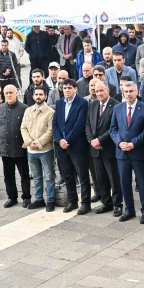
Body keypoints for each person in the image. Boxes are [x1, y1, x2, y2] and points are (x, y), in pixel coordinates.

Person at [110, 79, 144, 223]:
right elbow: (113, 129)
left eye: (131, 91)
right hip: (122, 152)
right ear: (123, 92)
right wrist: (119, 142)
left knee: (142, 183)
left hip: (138, 152)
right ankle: (129, 210)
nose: (128, 94)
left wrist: (133, 143)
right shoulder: (118, 108)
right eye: (126, 92)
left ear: (137, 92)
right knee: (124, 182)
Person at [53, 79, 91, 213]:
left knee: (82, 175)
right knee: (67, 175)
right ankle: (72, 201)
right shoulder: (59, 103)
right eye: (65, 88)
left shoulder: (82, 103)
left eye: (69, 88)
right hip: (61, 147)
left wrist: (67, 139)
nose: (67, 90)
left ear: (75, 89)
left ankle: (86, 203)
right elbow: (55, 123)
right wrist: (59, 140)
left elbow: (79, 125)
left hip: (76, 145)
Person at [85, 80, 120, 216]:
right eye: (96, 91)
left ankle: (118, 204)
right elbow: (87, 124)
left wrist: (100, 140)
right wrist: (91, 141)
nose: (98, 93)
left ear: (108, 91)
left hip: (109, 149)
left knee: (114, 179)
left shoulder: (116, 106)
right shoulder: (93, 105)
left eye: (101, 91)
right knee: (100, 178)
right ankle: (106, 203)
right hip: (95, 149)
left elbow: (114, 127)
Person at [0, 84, 31, 209]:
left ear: (16, 93)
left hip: (20, 148)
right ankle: (12, 197)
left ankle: (26, 197)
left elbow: (29, 128)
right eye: (6, 93)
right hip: (5, 148)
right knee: (8, 176)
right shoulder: (0, 109)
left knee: (24, 175)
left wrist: (27, 143)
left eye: (11, 92)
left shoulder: (24, 108)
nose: (9, 95)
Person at [22, 86, 56, 211]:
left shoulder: (50, 112)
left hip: (45, 150)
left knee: (49, 176)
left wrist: (38, 143)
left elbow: (50, 131)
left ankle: (50, 200)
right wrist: (29, 142)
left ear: (45, 96)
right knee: (36, 176)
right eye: (36, 94)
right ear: (33, 96)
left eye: (41, 94)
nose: (38, 96)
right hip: (31, 150)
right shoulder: (28, 111)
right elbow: (23, 128)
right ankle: (39, 199)